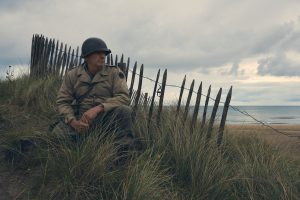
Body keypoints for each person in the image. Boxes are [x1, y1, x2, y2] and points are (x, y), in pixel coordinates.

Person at [50, 37, 138, 165]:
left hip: (105, 119)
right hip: (81, 119)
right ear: (87, 56)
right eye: (98, 53)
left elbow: (124, 97)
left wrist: (98, 108)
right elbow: (63, 102)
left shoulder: (114, 72)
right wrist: (73, 122)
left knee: (124, 111)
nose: (102, 56)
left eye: (104, 53)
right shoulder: (73, 75)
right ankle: (74, 156)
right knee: (56, 135)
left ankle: (124, 157)